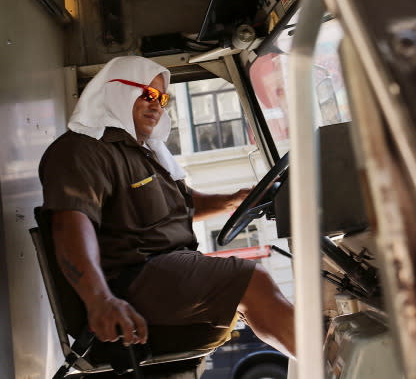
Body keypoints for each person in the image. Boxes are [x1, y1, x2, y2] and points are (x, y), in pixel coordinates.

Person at [39, 56, 295, 359]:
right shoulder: (83, 150)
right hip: (130, 281)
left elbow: (183, 206)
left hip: (165, 270)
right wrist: (100, 300)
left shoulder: (144, 154)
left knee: (253, 285)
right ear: (117, 91)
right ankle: (329, 365)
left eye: (163, 98)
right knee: (253, 281)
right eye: (148, 94)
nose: (158, 106)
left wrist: (234, 201)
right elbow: (70, 225)